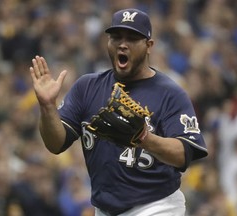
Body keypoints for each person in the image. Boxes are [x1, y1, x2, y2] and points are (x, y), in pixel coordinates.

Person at [29, 8, 208, 216]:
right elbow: (55, 143)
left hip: (156, 206)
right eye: (116, 37)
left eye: (132, 38)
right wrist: (47, 107)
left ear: (149, 46)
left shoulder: (170, 93)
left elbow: (184, 154)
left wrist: (145, 139)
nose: (123, 44)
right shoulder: (87, 87)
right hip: (104, 209)